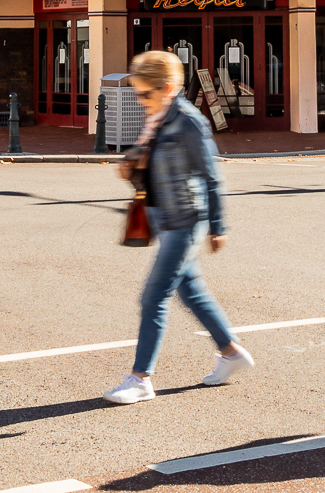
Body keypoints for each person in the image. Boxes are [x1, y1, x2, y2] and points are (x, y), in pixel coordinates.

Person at [102, 50, 252, 405]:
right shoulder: (158, 117)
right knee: (191, 291)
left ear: (166, 87)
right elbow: (157, 172)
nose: (140, 101)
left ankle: (141, 379)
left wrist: (218, 227)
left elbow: (212, 177)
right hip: (163, 217)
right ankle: (231, 353)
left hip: (185, 221)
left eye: (144, 93)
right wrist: (131, 167)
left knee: (153, 297)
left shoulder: (188, 121)